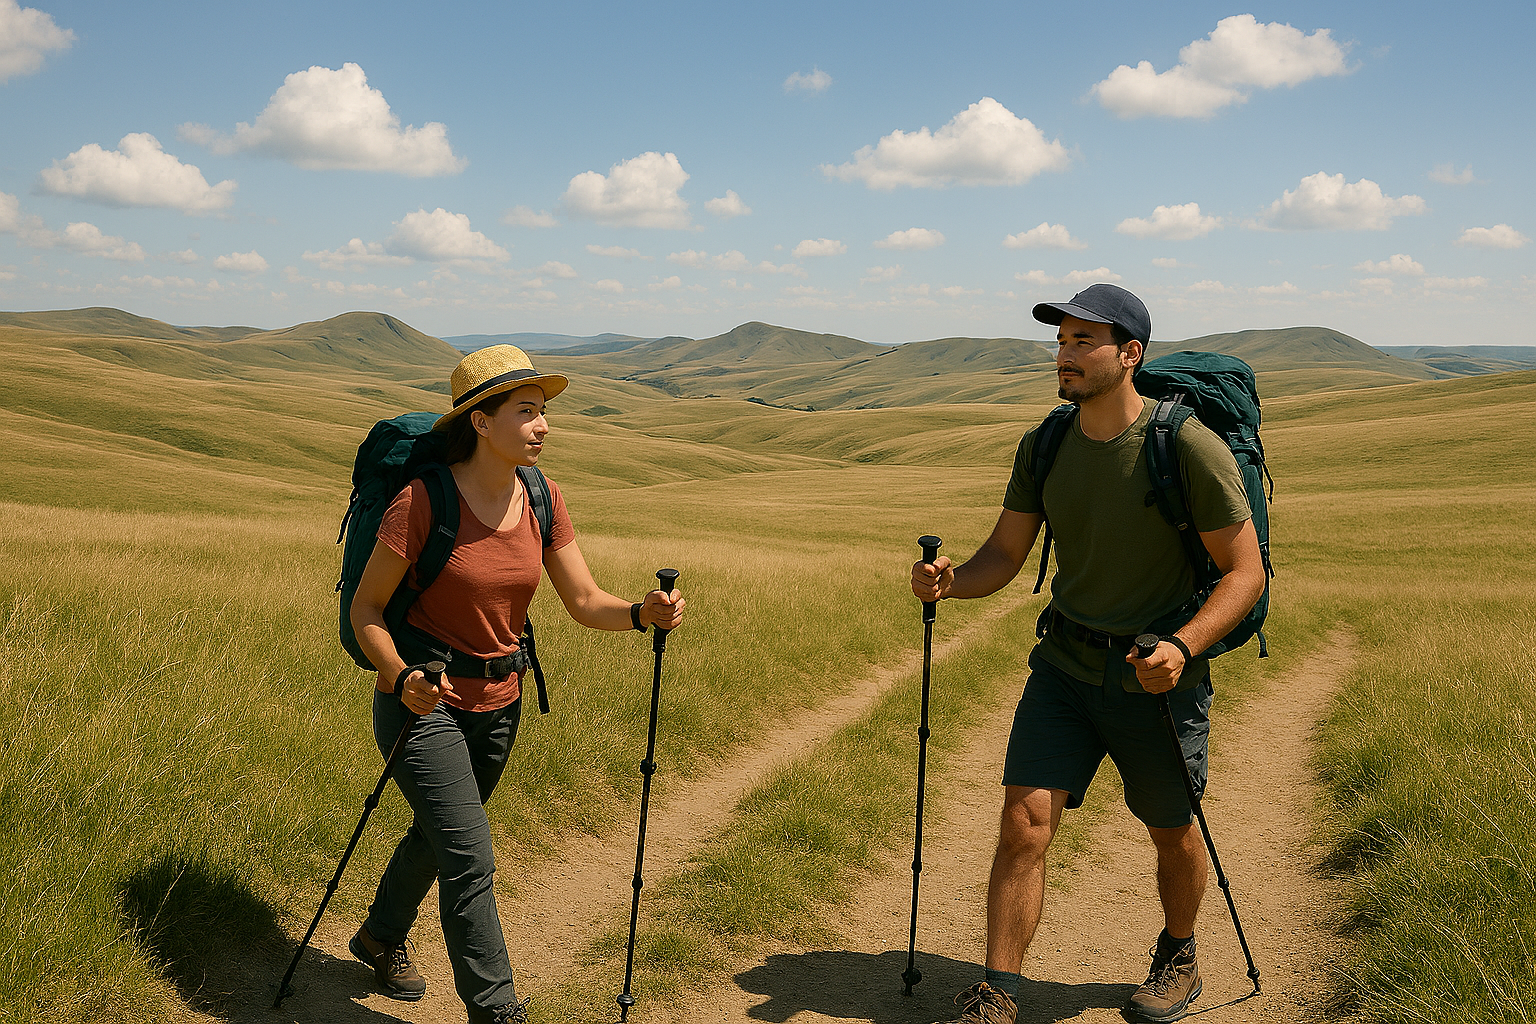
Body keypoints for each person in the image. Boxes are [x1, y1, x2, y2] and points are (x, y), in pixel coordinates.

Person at [910, 284, 1266, 1024]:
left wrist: (1183, 644)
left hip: (1156, 678)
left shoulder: (1185, 444)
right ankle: (997, 993)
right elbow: (1004, 555)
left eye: (1082, 342)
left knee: (1172, 832)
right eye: (1061, 341)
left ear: (1129, 355)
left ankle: (1179, 953)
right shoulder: (1047, 442)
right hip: (1064, 669)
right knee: (1023, 822)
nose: (1064, 355)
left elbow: (1246, 571)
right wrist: (949, 583)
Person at [348, 345, 685, 1024]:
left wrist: (641, 614)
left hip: (501, 704)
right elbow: (366, 610)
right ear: (480, 421)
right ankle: (497, 1011)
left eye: (543, 412)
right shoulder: (423, 500)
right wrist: (400, 674)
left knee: (439, 836)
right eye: (525, 412)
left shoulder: (541, 494)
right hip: (424, 703)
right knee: (470, 858)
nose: (543, 425)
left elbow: (585, 600)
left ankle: (379, 937)